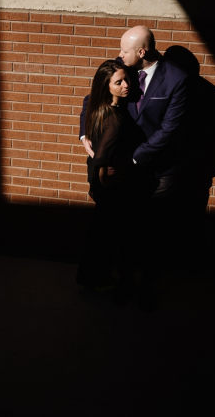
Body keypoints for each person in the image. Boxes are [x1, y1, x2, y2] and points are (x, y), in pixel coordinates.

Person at [79, 26, 190, 309]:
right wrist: (84, 134)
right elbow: (90, 98)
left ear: (142, 52)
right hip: (123, 173)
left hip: (156, 169)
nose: (119, 55)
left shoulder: (177, 79)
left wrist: (133, 159)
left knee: (153, 229)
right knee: (126, 229)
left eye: (125, 51)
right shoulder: (122, 70)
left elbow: (169, 130)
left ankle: (147, 287)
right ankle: (124, 281)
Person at [75, 60, 144, 291]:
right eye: (119, 82)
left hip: (103, 186)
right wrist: (107, 180)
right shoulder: (114, 119)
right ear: (107, 87)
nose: (126, 85)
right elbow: (102, 158)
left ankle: (90, 278)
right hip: (112, 190)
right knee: (104, 237)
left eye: (126, 79)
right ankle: (96, 279)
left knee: (99, 234)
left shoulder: (100, 108)